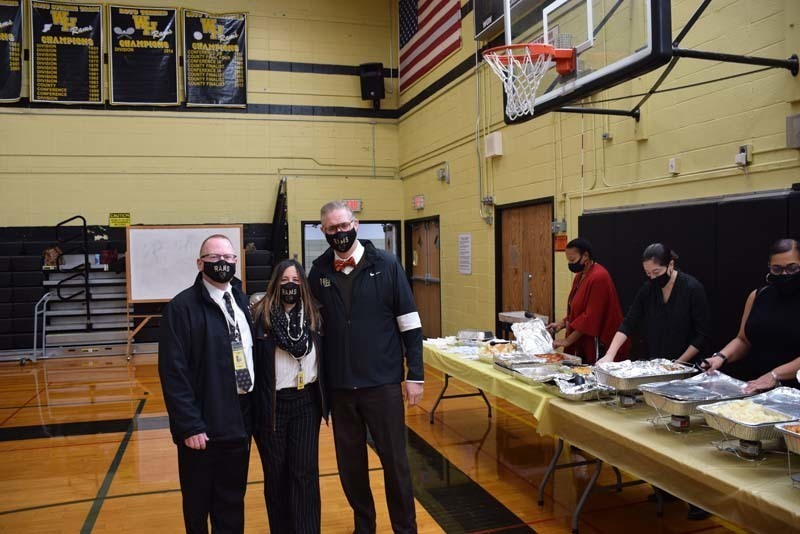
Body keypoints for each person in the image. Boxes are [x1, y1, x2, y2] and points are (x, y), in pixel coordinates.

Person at [308, 200, 423, 534]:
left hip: (383, 386)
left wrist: (414, 374)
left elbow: (410, 323)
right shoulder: (319, 273)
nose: (339, 233)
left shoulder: (386, 265)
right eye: (331, 228)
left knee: (395, 464)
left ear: (355, 224)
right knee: (351, 467)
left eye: (344, 226)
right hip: (341, 390)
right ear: (323, 231)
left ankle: (405, 528)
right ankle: (364, 525)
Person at [158, 234, 254, 533]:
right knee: (199, 503)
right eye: (214, 258)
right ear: (200, 263)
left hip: (239, 419)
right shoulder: (181, 307)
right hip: (203, 426)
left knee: (232, 500)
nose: (222, 263)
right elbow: (174, 372)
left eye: (228, 258)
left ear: (236, 262)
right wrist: (190, 425)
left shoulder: (240, 300)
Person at [251, 259, 326, 534]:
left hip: (306, 403)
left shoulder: (316, 315)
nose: (290, 285)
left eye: (295, 280)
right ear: (274, 284)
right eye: (284, 281)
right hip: (272, 406)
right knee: (276, 476)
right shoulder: (260, 316)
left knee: (304, 473)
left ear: (303, 284)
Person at [703, 238, 800, 393]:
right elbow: (743, 340)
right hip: (756, 386)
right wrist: (721, 357)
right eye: (777, 269)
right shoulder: (758, 296)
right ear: (769, 267)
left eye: (792, 268)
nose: (784, 274)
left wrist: (775, 375)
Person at [597, 243, 712, 364]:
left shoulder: (692, 288)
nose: (652, 277)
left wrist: (678, 364)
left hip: (687, 365)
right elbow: (628, 323)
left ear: (670, 265)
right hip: (657, 364)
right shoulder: (648, 289)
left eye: (656, 272)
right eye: (648, 273)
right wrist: (610, 355)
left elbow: (702, 335)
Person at [547, 237, 626, 363]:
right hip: (585, 337)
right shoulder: (580, 275)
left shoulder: (599, 277)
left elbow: (590, 317)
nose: (570, 264)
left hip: (600, 341)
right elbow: (577, 309)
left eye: (572, 260)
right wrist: (562, 323)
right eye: (568, 260)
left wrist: (567, 341)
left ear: (585, 256)